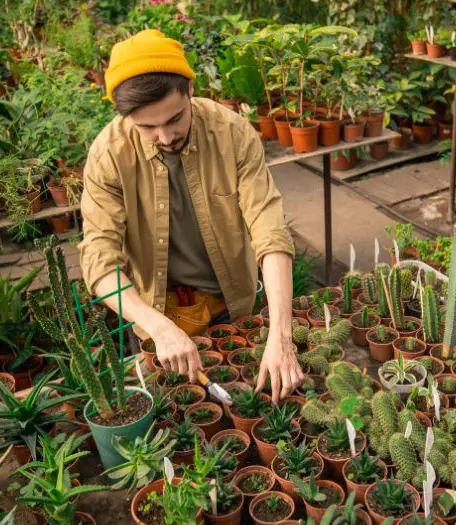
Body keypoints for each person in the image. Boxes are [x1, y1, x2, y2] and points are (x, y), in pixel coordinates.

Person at [78, 30, 303, 401]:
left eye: (175, 119)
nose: (165, 137)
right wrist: (157, 327)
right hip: (158, 316)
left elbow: (269, 229)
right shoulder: (109, 156)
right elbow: (99, 263)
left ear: (189, 90)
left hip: (231, 306)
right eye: (147, 127)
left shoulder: (231, 134)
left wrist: (281, 336)